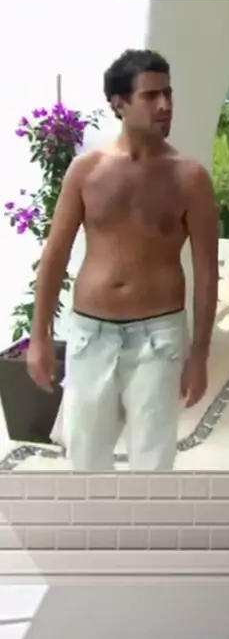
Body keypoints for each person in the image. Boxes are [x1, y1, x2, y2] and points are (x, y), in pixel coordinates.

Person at [26, 49, 219, 471]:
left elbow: (207, 271)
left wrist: (200, 354)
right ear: (119, 103)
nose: (165, 105)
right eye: (151, 96)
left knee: (153, 461)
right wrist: (39, 337)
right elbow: (54, 256)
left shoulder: (189, 178)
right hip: (90, 334)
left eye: (168, 93)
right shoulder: (87, 171)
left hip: (159, 336)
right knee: (86, 459)